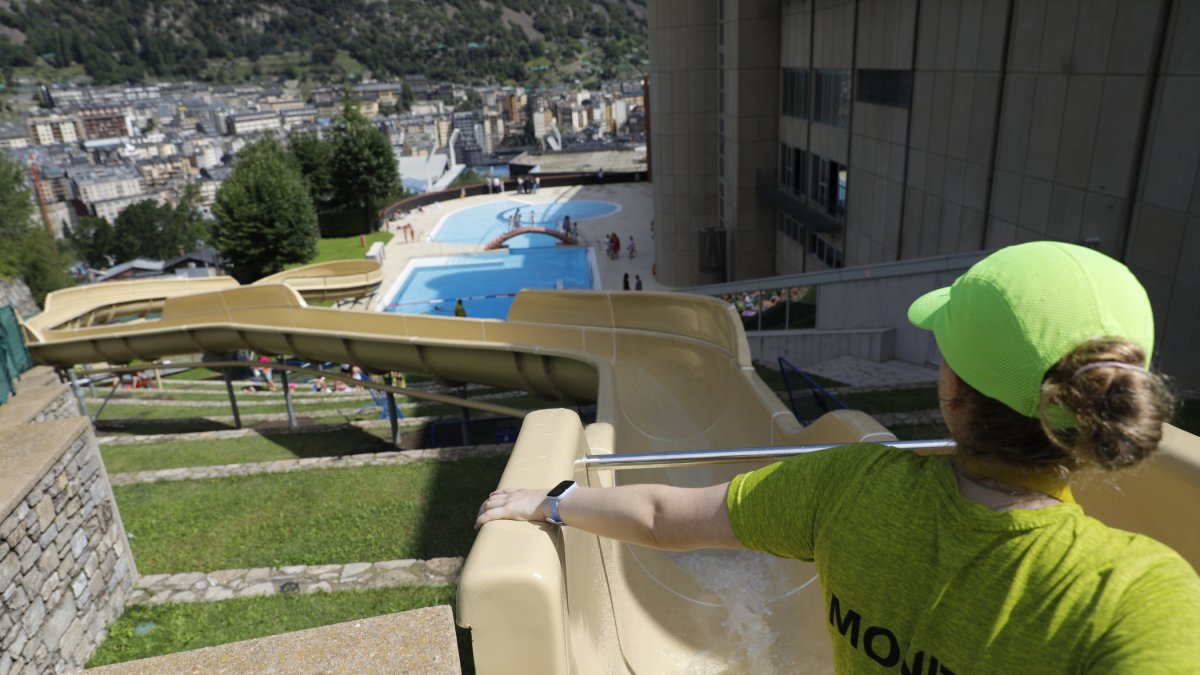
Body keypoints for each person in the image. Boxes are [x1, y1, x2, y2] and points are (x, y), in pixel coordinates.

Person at [476, 241, 1200, 671]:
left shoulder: (851, 487)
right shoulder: (1142, 597)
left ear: (951, 388)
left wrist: (552, 501)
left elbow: (664, 514)